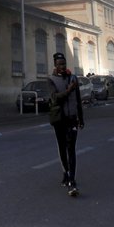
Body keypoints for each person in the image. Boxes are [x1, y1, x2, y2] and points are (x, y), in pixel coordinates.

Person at [48, 52, 84, 197]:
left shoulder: (73, 78)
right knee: (62, 147)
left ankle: (72, 180)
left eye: (64, 64)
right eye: (59, 64)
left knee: (71, 149)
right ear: (55, 65)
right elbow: (55, 98)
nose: (62, 67)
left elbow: (78, 99)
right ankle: (65, 172)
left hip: (72, 118)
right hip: (59, 120)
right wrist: (68, 89)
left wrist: (81, 118)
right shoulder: (50, 80)